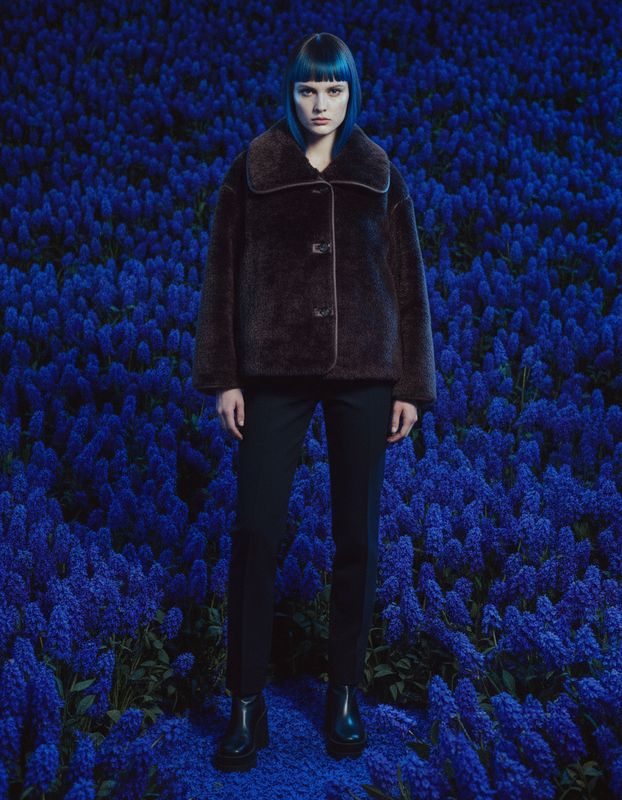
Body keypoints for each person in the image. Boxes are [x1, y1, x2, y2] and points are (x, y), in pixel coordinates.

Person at [192, 32, 436, 772]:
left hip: (367, 369)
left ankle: (345, 695)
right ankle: (246, 704)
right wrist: (225, 376)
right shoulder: (254, 167)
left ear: (352, 92)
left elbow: (410, 283)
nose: (320, 104)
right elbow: (221, 274)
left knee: (356, 539)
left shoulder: (379, 171)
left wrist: (411, 385)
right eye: (307, 90)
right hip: (275, 372)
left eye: (334, 90)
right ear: (290, 94)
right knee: (256, 535)